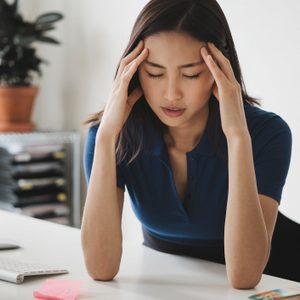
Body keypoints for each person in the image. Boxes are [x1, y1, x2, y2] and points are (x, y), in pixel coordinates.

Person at [81, 0, 292, 289]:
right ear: (132, 70)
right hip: (173, 284)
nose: (171, 94)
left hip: (278, 282)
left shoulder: (268, 133)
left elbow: (245, 276)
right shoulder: (111, 137)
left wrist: (238, 137)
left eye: (191, 74)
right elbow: (100, 268)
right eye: (154, 72)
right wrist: (106, 138)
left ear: (221, 69)